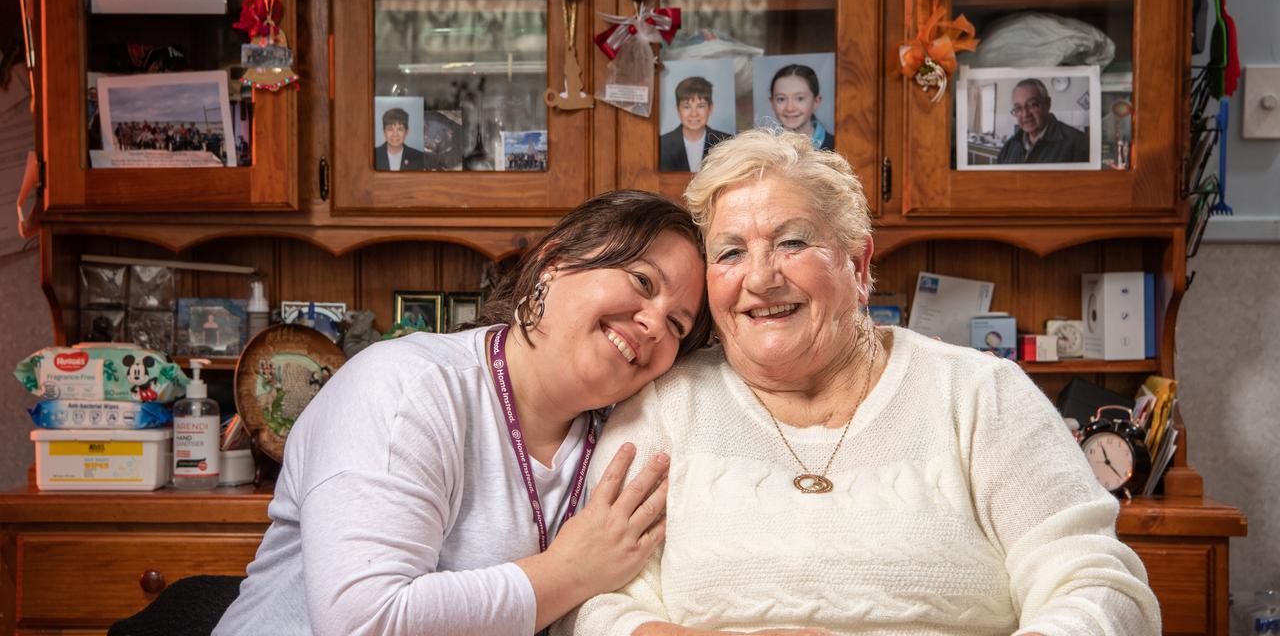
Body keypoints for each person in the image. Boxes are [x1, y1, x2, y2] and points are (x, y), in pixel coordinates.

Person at [559, 130, 1161, 636]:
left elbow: (1098, 585)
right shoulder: (666, 406)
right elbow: (593, 604)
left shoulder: (980, 395)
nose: (762, 278)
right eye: (731, 252)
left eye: (793, 242)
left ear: (859, 264)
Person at [215, 189, 713, 636]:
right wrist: (573, 570)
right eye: (643, 282)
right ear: (552, 264)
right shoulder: (407, 386)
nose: (653, 325)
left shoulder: (619, 441)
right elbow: (364, 623)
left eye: (677, 324)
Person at [996, 78, 1089, 165]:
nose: (1025, 114)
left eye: (1033, 105)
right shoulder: (1009, 146)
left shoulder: (1078, 143)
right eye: (1018, 108)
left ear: (1047, 104)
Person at [660, 76, 732, 172]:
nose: (694, 114)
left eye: (700, 106)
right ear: (678, 109)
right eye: (687, 107)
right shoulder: (661, 144)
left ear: (710, 108)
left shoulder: (726, 143)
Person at [769, 64, 834, 151]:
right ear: (772, 102)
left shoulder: (837, 145)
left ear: (816, 101)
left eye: (800, 98)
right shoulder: (764, 148)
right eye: (781, 99)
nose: (790, 108)